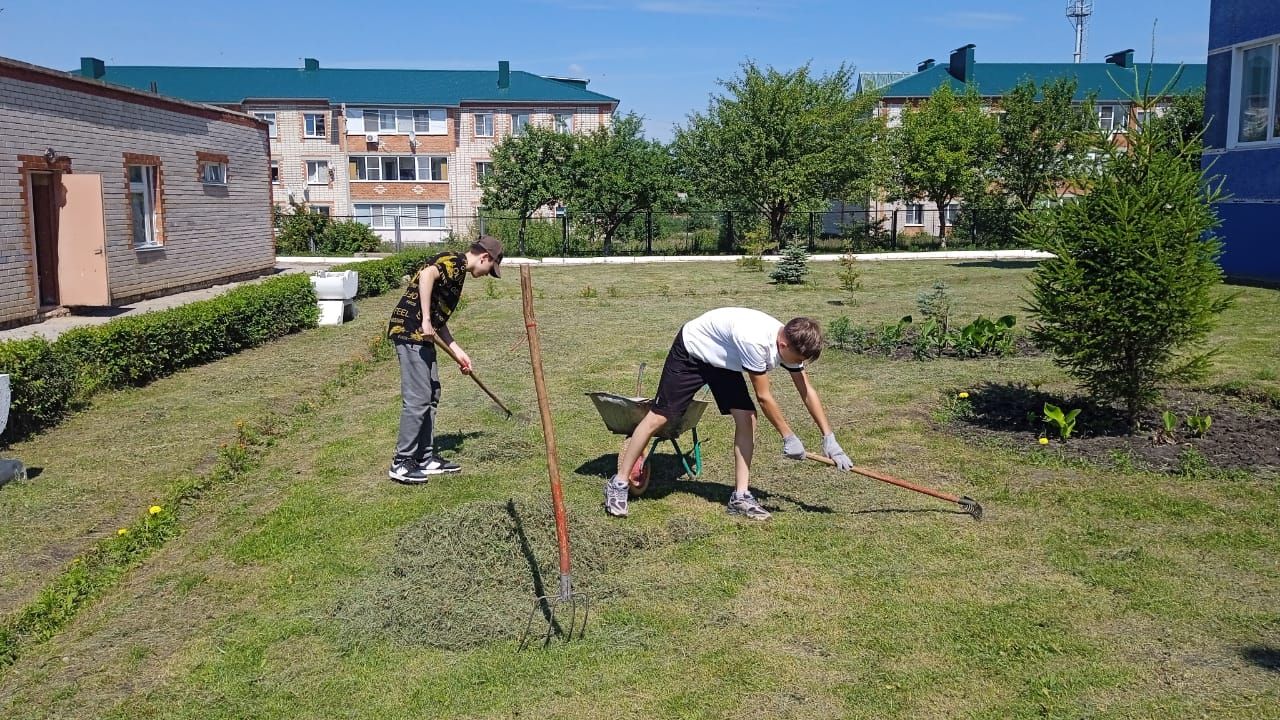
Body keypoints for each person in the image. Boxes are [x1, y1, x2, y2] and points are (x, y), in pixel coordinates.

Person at [604, 307, 853, 520]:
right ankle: (619, 483)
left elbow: (806, 390)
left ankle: (740, 497)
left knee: (747, 417)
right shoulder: (754, 343)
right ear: (783, 344)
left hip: (723, 358)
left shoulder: (790, 340)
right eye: (797, 358)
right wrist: (788, 436)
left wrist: (828, 438)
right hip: (693, 350)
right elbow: (764, 397)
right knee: (661, 416)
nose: (799, 363)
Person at [387, 235, 504, 484]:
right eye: (490, 268)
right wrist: (425, 319)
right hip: (410, 332)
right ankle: (401, 462)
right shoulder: (455, 262)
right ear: (485, 257)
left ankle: (424, 458)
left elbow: (440, 323)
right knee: (418, 397)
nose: (486, 274)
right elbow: (427, 275)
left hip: (424, 336)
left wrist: (457, 350)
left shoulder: (458, 273)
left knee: (431, 395)